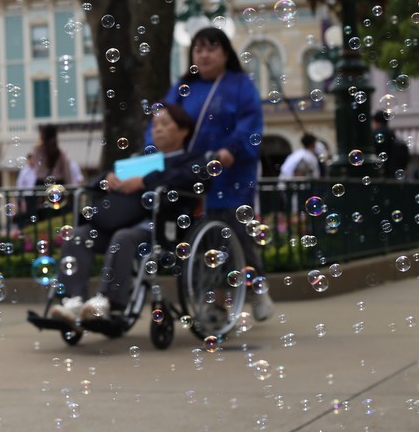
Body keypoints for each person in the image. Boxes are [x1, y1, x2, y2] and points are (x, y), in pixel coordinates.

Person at [157, 26, 273, 321]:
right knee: (207, 241)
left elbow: (250, 123)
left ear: (225, 53)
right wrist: (154, 152)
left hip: (230, 173)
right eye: (198, 49)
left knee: (235, 232)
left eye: (211, 48)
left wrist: (232, 149)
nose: (204, 55)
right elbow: (161, 124)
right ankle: (218, 302)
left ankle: (255, 288)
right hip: (191, 174)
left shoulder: (239, 85)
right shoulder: (183, 87)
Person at [53, 102, 203, 322]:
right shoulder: (139, 160)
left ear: (183, 130)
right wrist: (107, 179)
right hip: (119, 222)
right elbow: (99, 181)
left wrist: (144, 182)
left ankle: (107, 302)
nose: (158, 129)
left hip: (156, 229)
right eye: (155, 125)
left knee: (123, 238)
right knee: (79, 237)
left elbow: (189, 180)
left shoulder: (190, 162)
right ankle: (72, 301)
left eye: (165, 123)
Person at [16, 123, 83, 188]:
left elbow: (36, 169)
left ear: (43, 136)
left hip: (41, 185)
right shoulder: (59, 153)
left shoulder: (38, 150)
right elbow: (66, 173)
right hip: (57, 184)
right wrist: (69, 186)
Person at [372, 111, 410, 179]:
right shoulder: (391, 133)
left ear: (375, 122)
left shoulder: (378, 133)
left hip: (385, 173)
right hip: (394, 172)